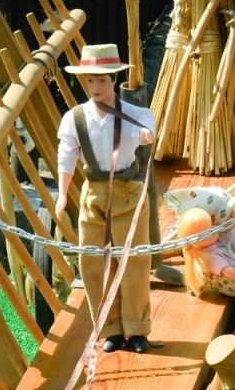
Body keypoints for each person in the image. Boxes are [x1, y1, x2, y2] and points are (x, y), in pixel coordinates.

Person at [55, 44, 159, 353]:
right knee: (93, 261)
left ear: (114, 79)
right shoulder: (74, 119)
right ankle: (110, 329)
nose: (96, 87)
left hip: (127, 191)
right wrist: (62, 194)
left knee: (134, 260)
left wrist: (145, 135)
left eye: (102, 80)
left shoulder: (133, 113)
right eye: (90, 80)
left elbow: (146, 127)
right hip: (94, 193)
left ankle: (137, 329)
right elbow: (66, 156)